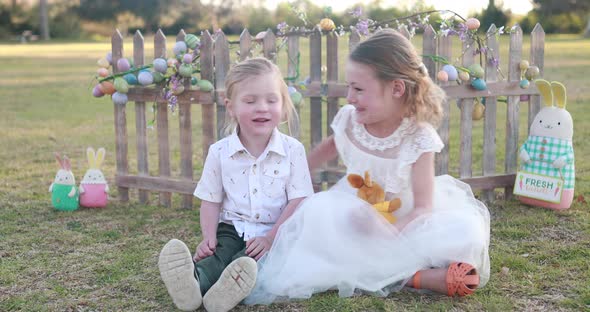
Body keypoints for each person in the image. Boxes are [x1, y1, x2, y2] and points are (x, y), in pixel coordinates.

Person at [245, 29, 490, 304]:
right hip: (353, 208)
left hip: (404, 218)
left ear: (396, 89)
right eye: (349, 86)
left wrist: (389, 232)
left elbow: (423, 207)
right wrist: (293, 175)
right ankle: (414, 276)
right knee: (319, 217)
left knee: (463, 232)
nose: (349, 97)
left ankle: (399, 270)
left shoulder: (418, 138)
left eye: (359, 89)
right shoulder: (351, 120)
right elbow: (327, 148)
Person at [158, 57, 314, 312]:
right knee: (218, 256)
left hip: (275, 232)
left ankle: (229, 291)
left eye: (271, 100)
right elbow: (211, 200)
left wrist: (270, 238)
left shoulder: (293, 150)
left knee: (250, 262)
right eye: (250, 101)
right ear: (231, 107)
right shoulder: (219, 152)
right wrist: (208, 238)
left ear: (284, 105)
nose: (261, 108)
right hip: (232, 227)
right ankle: (194, 283)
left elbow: (299, 200)